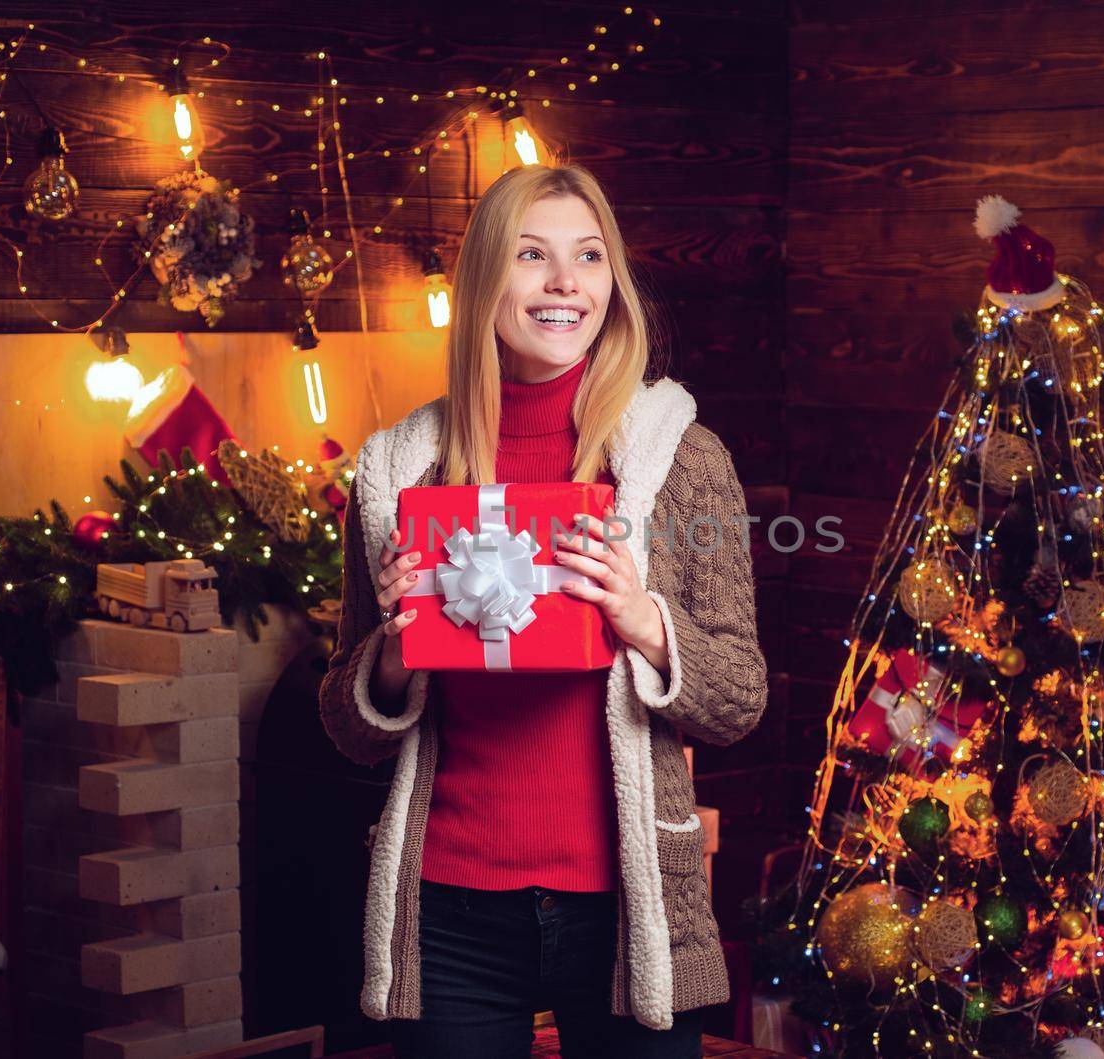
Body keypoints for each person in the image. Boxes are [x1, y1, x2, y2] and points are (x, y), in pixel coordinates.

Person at [319, 163, 768, 1059]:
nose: (567, 282)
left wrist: (646, 623)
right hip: (448, 909)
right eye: (534, 255)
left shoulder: (681, 459)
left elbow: (741, 697)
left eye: (590, 256)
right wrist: (395, 656)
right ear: (487, 281)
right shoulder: (402, 469)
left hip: (626, 901)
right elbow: (346, 722)